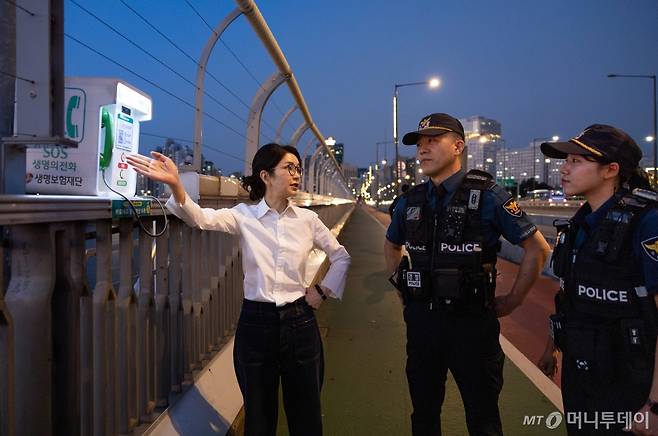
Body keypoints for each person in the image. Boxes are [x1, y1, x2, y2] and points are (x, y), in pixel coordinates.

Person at [127, 143, 351, 436]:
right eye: (289, 168)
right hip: (256, 324)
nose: (297, 175)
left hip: (300, 321)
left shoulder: (308, 220)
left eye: (298, 168)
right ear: (266, 176)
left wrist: (321, 293)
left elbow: (341, 257)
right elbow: (200, 218)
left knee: (306, 413)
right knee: (258, 415)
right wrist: (175, 184)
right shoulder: (244, 215)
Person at [384, 113, 551, 435]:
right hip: (422, 326)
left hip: (471, 325)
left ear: (458, 145)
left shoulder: (488, 195)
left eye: (433, 141)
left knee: (483, 417)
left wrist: (514, 300)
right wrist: (403, 291)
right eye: (419, 143)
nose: (422, 149)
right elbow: (391, 245)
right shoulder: (410, 201)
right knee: (423, 415)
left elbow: (538, 248)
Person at [536, 125, 658, 435]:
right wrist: (553, 347)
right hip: (582, 374)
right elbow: (569, 295)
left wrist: (654, 404)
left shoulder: (647, 221)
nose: (563, 168)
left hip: (631, 383)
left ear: (611, 170)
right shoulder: (579, 225)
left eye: (576, 161)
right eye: (566, 161)